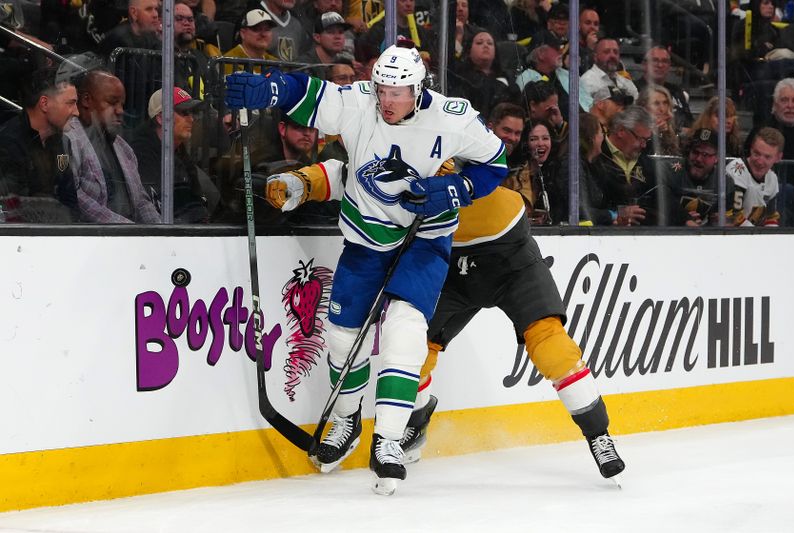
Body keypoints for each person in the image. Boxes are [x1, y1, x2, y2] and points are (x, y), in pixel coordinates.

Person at [225, 43, 507, 494]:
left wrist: (454, 189)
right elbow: (309, 92)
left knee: (405, 331)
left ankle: (390, 440)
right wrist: (271, 88)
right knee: (340, 337)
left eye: (399, 92)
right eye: (383, 89)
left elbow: (496, 163)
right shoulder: (359, 103)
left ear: (419, 88)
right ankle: (347, 420)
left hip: (425, 241)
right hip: (365, 241)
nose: (388, 100)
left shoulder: (452, 116)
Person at [260, 144, 627, 485]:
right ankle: (414, 426)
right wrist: (305, 181)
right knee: (414, 349)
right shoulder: (398, 149)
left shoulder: (462, 148)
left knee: (549, 344)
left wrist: (453, 184)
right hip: (450, 266)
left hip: (509, 263)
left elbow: (490, 172)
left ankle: (599, 435)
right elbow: (356, 177)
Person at [64, 70, 161, 224]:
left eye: (122, 104)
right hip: (92, 240)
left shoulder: (124, 149)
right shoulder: (69, 139)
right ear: (86, 100)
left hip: (129, 238)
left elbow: (141, 201)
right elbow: (75, 196)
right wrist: (124, 229)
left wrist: (160, 232)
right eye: (112, 102)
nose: (120, 110)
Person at [0, 67, 78, 223]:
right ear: (44, 104)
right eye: (71, 103)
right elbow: (15, 209)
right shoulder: (8, 144)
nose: (77, 112)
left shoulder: (61, 143)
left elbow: (68, 191)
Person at [127, 87, 210, 223]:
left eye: (192, 113)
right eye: (184, 112)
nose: (191, 119)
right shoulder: (141, 153)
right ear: (160, 118)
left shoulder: (180, 153)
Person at [589, 105, 657, 226]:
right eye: (640, 139)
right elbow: (588, 206)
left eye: (647, 140)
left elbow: (657, 201)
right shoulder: (595, 156)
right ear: (621, 131)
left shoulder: (647, 163)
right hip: (603, 233)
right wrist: (617, 214)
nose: (644, 145)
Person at [555, 113, 615, 225]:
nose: (603, 137)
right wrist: (611, 215)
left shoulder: (594, 165)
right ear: (592, 138)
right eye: (601, 132)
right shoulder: (572, 165)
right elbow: (579, 211)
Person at [447, 30, 521, 119]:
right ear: (469, 50)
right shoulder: (460, 78)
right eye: (479, 43)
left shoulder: (507, 79)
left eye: (490, 43)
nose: (485, 46)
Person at [662, 128, 727, 226]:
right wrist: (682, 218)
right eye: (695, 152)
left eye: (705, 155)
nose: (698, 159)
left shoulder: (724, 181)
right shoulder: (670, 172)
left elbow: (729, 221)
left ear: (717, 158)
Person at [502, 119, 558, 224]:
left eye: (545, 138)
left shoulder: (557, 172)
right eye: (533, 139)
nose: (540, 143)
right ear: (525, 144)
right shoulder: (513, 176)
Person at [725, 126, 783, 226]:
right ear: (751, 149)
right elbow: (732, 217)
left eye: (767, 157)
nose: (760, 161)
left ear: (778, 158)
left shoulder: (772, 178)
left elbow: (771, 217)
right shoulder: (737, 169)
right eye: (756, 153)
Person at [634, 45, 693, 133]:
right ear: (644, 65)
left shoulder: (677, 91)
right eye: (655, 60)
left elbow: (690, 124)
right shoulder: (633, 89)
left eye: (665, 61)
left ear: (669, 66)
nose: (660, 65)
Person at [580, 38, 638, 102]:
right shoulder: (587, 81)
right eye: (606, 52)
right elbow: (587, 110)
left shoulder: (625, 80)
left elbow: (636, 104)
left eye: (615, 52)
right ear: (595, 57)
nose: (612, 56)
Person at [296, 12, 352, 79]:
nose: (338, 37)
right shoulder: (304, 65)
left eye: (341, 32)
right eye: (331, 32)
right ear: (317, 38)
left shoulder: (342, 63)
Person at [223, 9, 279, 75]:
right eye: (256, 29)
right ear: (243, 34)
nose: (263, 34)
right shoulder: (229, 61)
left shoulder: (275, 62)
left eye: (267, 29)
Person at [97, 0, 162, 56]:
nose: (155, 15)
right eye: (149, 9)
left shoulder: (151, 36)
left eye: (156, 9)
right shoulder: (116, 40)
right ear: (134, 13)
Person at [636, 85, 681, 156]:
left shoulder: (675, 130)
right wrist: (653, 134)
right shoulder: (633, 130)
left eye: (665, 103)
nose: (662, 109)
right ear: (643, 107)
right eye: (656, 103)